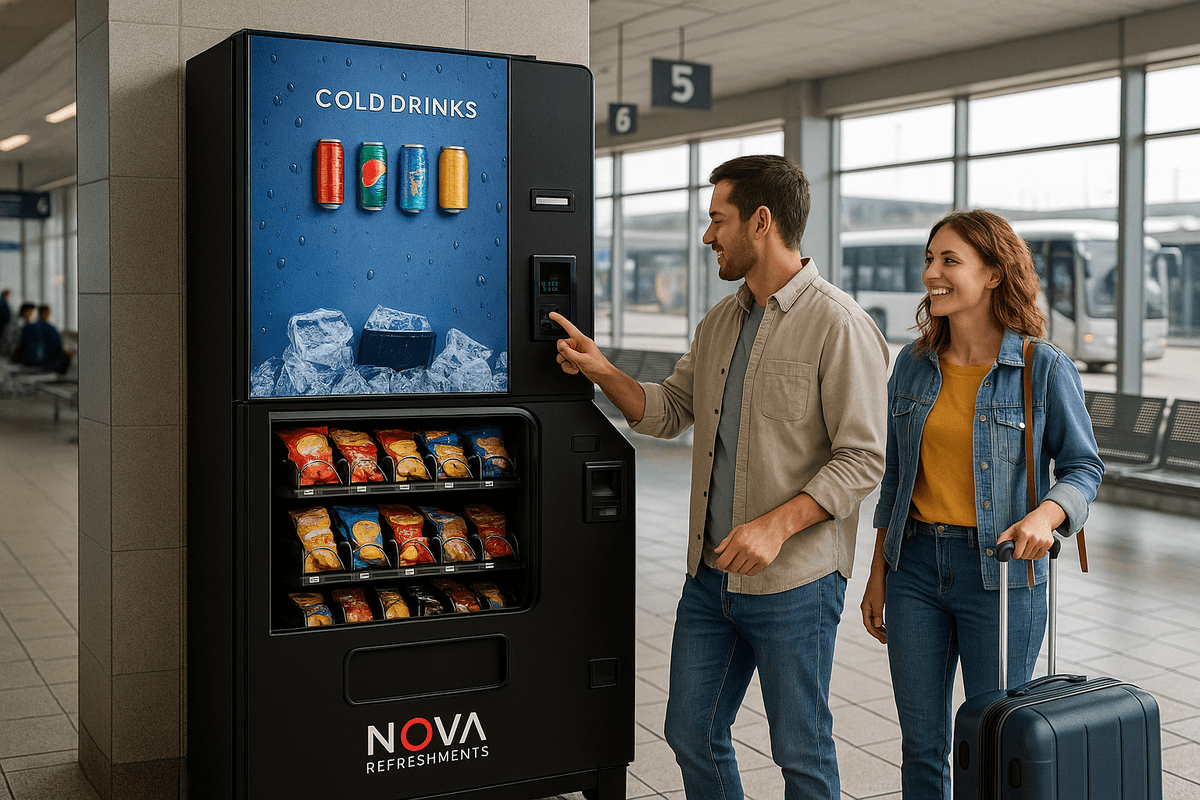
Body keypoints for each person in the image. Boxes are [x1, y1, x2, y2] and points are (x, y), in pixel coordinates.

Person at [550, 154, 889, 800]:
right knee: (691, 732)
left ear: (761, 222)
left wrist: (775, 527)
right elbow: (667, 410)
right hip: (710, 580)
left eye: (717, 220)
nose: (708, 236)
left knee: (801, 751)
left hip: (795, 581)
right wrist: (602, 369)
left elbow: (863, 457)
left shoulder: (838, 324)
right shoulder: (720, 323)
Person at [859, 209, 1104, 799]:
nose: (932, 273)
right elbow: (897, 478)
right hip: (915, 567)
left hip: (1002, 575)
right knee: (922, 747)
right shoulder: (913, 365)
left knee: (995, 744)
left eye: (950, 260)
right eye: (929, 259)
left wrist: (1047, 515)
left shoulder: (1042, 366)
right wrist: (878, 572)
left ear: (993, 274)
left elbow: (1083, 467)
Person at [14, 304, 68, 372]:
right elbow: (59, 349)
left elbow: (21, 346)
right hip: (47, 365)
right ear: (47, 313)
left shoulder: (27, 327)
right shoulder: (52, 330)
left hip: (28, 363)